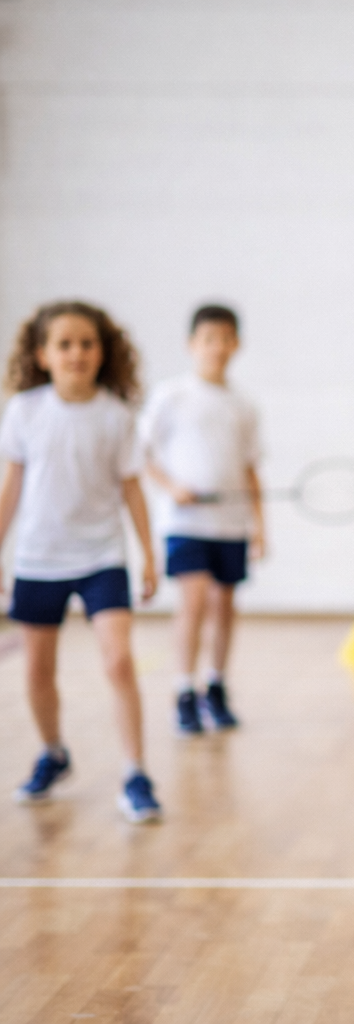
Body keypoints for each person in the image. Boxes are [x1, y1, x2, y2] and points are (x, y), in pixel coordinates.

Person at [0, 301, 162, 823]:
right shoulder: (24, 411)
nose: (77, 353)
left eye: (87, 343)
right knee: (37, 670)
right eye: (64, 344)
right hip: (39, 559)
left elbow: (132, 489)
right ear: (42, 355)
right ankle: (53, 753)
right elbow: (11, 487)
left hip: (102, 557)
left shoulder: (117, 417)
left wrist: (148, 555)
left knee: (118, 661)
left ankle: (135, 773)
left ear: (103, 352)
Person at [141, 305, 263, 734]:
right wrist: (172, 487)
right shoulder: (171, 396)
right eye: (209, 339)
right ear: (192, 344)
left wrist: (260, 526)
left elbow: (251, 469)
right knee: (192, 603)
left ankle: (216, 686)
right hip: (185, 523)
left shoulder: (244, 405)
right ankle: (184, 692)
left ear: (237, 344)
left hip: (230, 523)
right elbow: (142, 454)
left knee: (224, 606)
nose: (217, 347)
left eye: (226, 339)